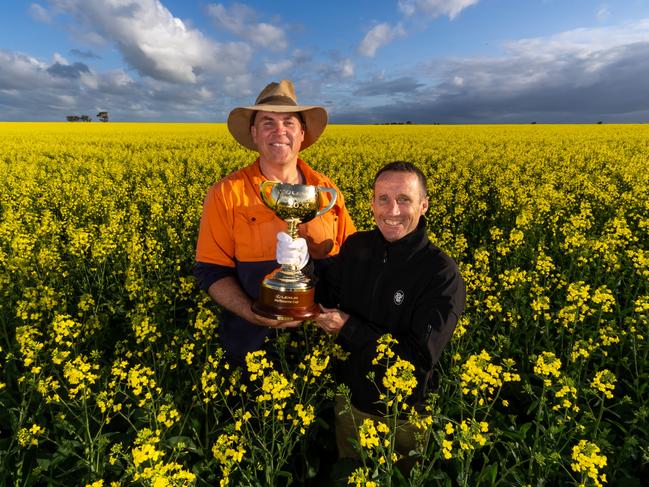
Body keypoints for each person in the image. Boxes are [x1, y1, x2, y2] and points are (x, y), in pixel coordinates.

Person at [281, 160, 465, 465]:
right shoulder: (356, 247)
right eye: (384, 199)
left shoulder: (441, 275)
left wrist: (348, 327)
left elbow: (418, 359)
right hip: (349, 402)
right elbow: (326, 295)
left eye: (404, 200)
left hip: (401, 416)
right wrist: (300, 263)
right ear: (372, 204)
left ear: (424, 206)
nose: (392, 211)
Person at [194, 79, 356, 366]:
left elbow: (353, 260)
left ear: (302, 133)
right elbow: (211, 270)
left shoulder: (327, 190)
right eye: (267, 122)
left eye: (289, 123)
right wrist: (250, 312)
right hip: (251, 348)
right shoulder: (225, 193)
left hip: (321, 351)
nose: (279, 131)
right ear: (254, 134)